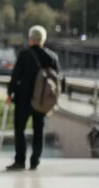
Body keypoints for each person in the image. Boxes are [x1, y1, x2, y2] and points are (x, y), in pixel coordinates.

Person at [6, 25, 59, 171]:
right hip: (42, 101)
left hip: (23, 99)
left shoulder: (24, 54)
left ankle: (20, 161)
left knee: (20, 130)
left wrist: (10, 93)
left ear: (32, 38)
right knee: (38, 131)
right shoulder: (52, 57)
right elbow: (56, 79)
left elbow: (15, 76)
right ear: (43, 40)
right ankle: (35, 161)